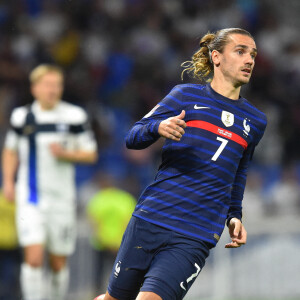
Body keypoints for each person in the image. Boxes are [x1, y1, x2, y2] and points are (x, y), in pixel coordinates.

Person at [94, 28, 267, 300]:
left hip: (196, 233)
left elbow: (239, 170)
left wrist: (234, 214)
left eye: (253, 54)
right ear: (216, 57)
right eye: (241, 51)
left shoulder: (255, 121)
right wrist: (158, 127)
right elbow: (132, 137)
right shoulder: (184, 96)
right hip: (153, 217)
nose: (250, 60)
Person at [2, 64, 98, 300]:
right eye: (47, 85)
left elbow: (90, 153)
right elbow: (10, 150)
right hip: (31, 196)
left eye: (57, 85)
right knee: (33, 258)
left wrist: (66, 154)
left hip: (62, 200)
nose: (53, 90)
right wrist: (8, 182)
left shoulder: (74, 116)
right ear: (35, 88)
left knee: (57, 263)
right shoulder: (21, 117)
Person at [86, 173, 136, 294]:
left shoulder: (98, 199)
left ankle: (97, 293)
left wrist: (104, 240)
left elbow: (94, 222)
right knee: (121, 273)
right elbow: (129, 222)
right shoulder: (125, 198)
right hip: (120, 244)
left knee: (99, 273)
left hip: (101, 243)